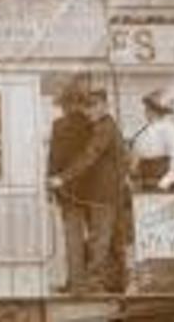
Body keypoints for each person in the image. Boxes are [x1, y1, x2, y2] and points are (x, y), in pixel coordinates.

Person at [49, 89, 127, 293]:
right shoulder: (98, 126)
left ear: (104, 106)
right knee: (102, 238)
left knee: (100, 239)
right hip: (98, 192)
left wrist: (61, 178)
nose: (87, 111)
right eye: (86, 106)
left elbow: (90, 155)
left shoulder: (104, 128)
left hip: (102, 193)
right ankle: (95, 282)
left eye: (91, 106)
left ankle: (93, 283)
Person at [48, 84, 93, 293]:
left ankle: (75, 282)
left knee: (72, 237)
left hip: (67, 189)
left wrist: (51, 182)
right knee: (97, 236)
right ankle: (93, 281)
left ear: (66, 104)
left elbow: (54, 158)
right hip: (93, 190)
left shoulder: (58, 125)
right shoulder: (93, 124)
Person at [130, 88, 174, 191]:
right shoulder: (143, 132)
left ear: (157, 111)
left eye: (148, 108)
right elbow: (136, 154)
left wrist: (165, 182)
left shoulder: (169, 130)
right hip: (143, 183)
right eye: (147, 108)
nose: (145, 111)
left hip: (161, 185)